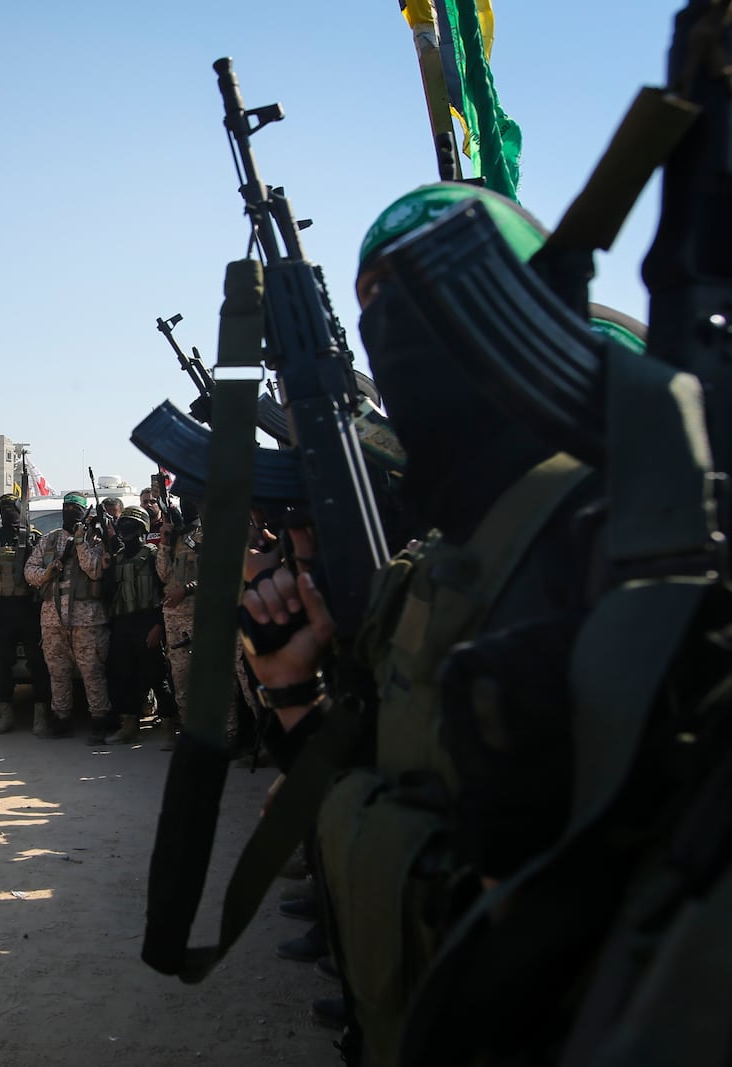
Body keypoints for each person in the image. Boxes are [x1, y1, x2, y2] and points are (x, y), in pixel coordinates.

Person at [241, 183, 604, 1063]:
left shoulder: (615, 545)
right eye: (382, 328)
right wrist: (296, 693)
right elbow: (377, 794)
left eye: (435, 313)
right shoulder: (427, 575)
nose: (409, 361)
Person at [24, 492, 110, 738]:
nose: (70, 511)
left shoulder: (95, 539)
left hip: (87, 619)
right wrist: (48, 571)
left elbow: (95, 571)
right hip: (52, 618)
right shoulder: (49, 540)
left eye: (75, 508)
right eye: (67, 507)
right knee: (57, 671)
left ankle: (99, 720)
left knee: (92, 671)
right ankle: (62, 718)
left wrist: (81, 542)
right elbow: (29, 571)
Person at [0, 494, 50, 735]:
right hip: (2, 610)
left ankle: (41, 717)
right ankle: (5, 715)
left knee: (38, 663)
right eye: (3, 507)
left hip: (29, 608)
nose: (8, 511)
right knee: (0, 664)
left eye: (12, 506)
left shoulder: (35, 537)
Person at [100, 505, 169, 744]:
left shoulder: (152, 556)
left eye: (132, 525)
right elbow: (106, 594)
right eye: (123, 525)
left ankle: (169, 727)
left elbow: (164, 593)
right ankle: (128, 726)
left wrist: (159, 625)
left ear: (142, 529)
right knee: (123, 676)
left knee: (157, 675)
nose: (126, 530)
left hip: (147, 621)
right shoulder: (116, 558)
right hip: (123, 624)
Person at [155, 495, 201, 745]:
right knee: (180, 677)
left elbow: (220, 572)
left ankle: (227, 735)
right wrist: (165, 542)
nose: (187, 504)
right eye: (183, 500)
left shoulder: (206, 534)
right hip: (173, 616)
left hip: (199, 613)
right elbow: (163, 574)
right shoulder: (176, 536)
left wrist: (188, 589)